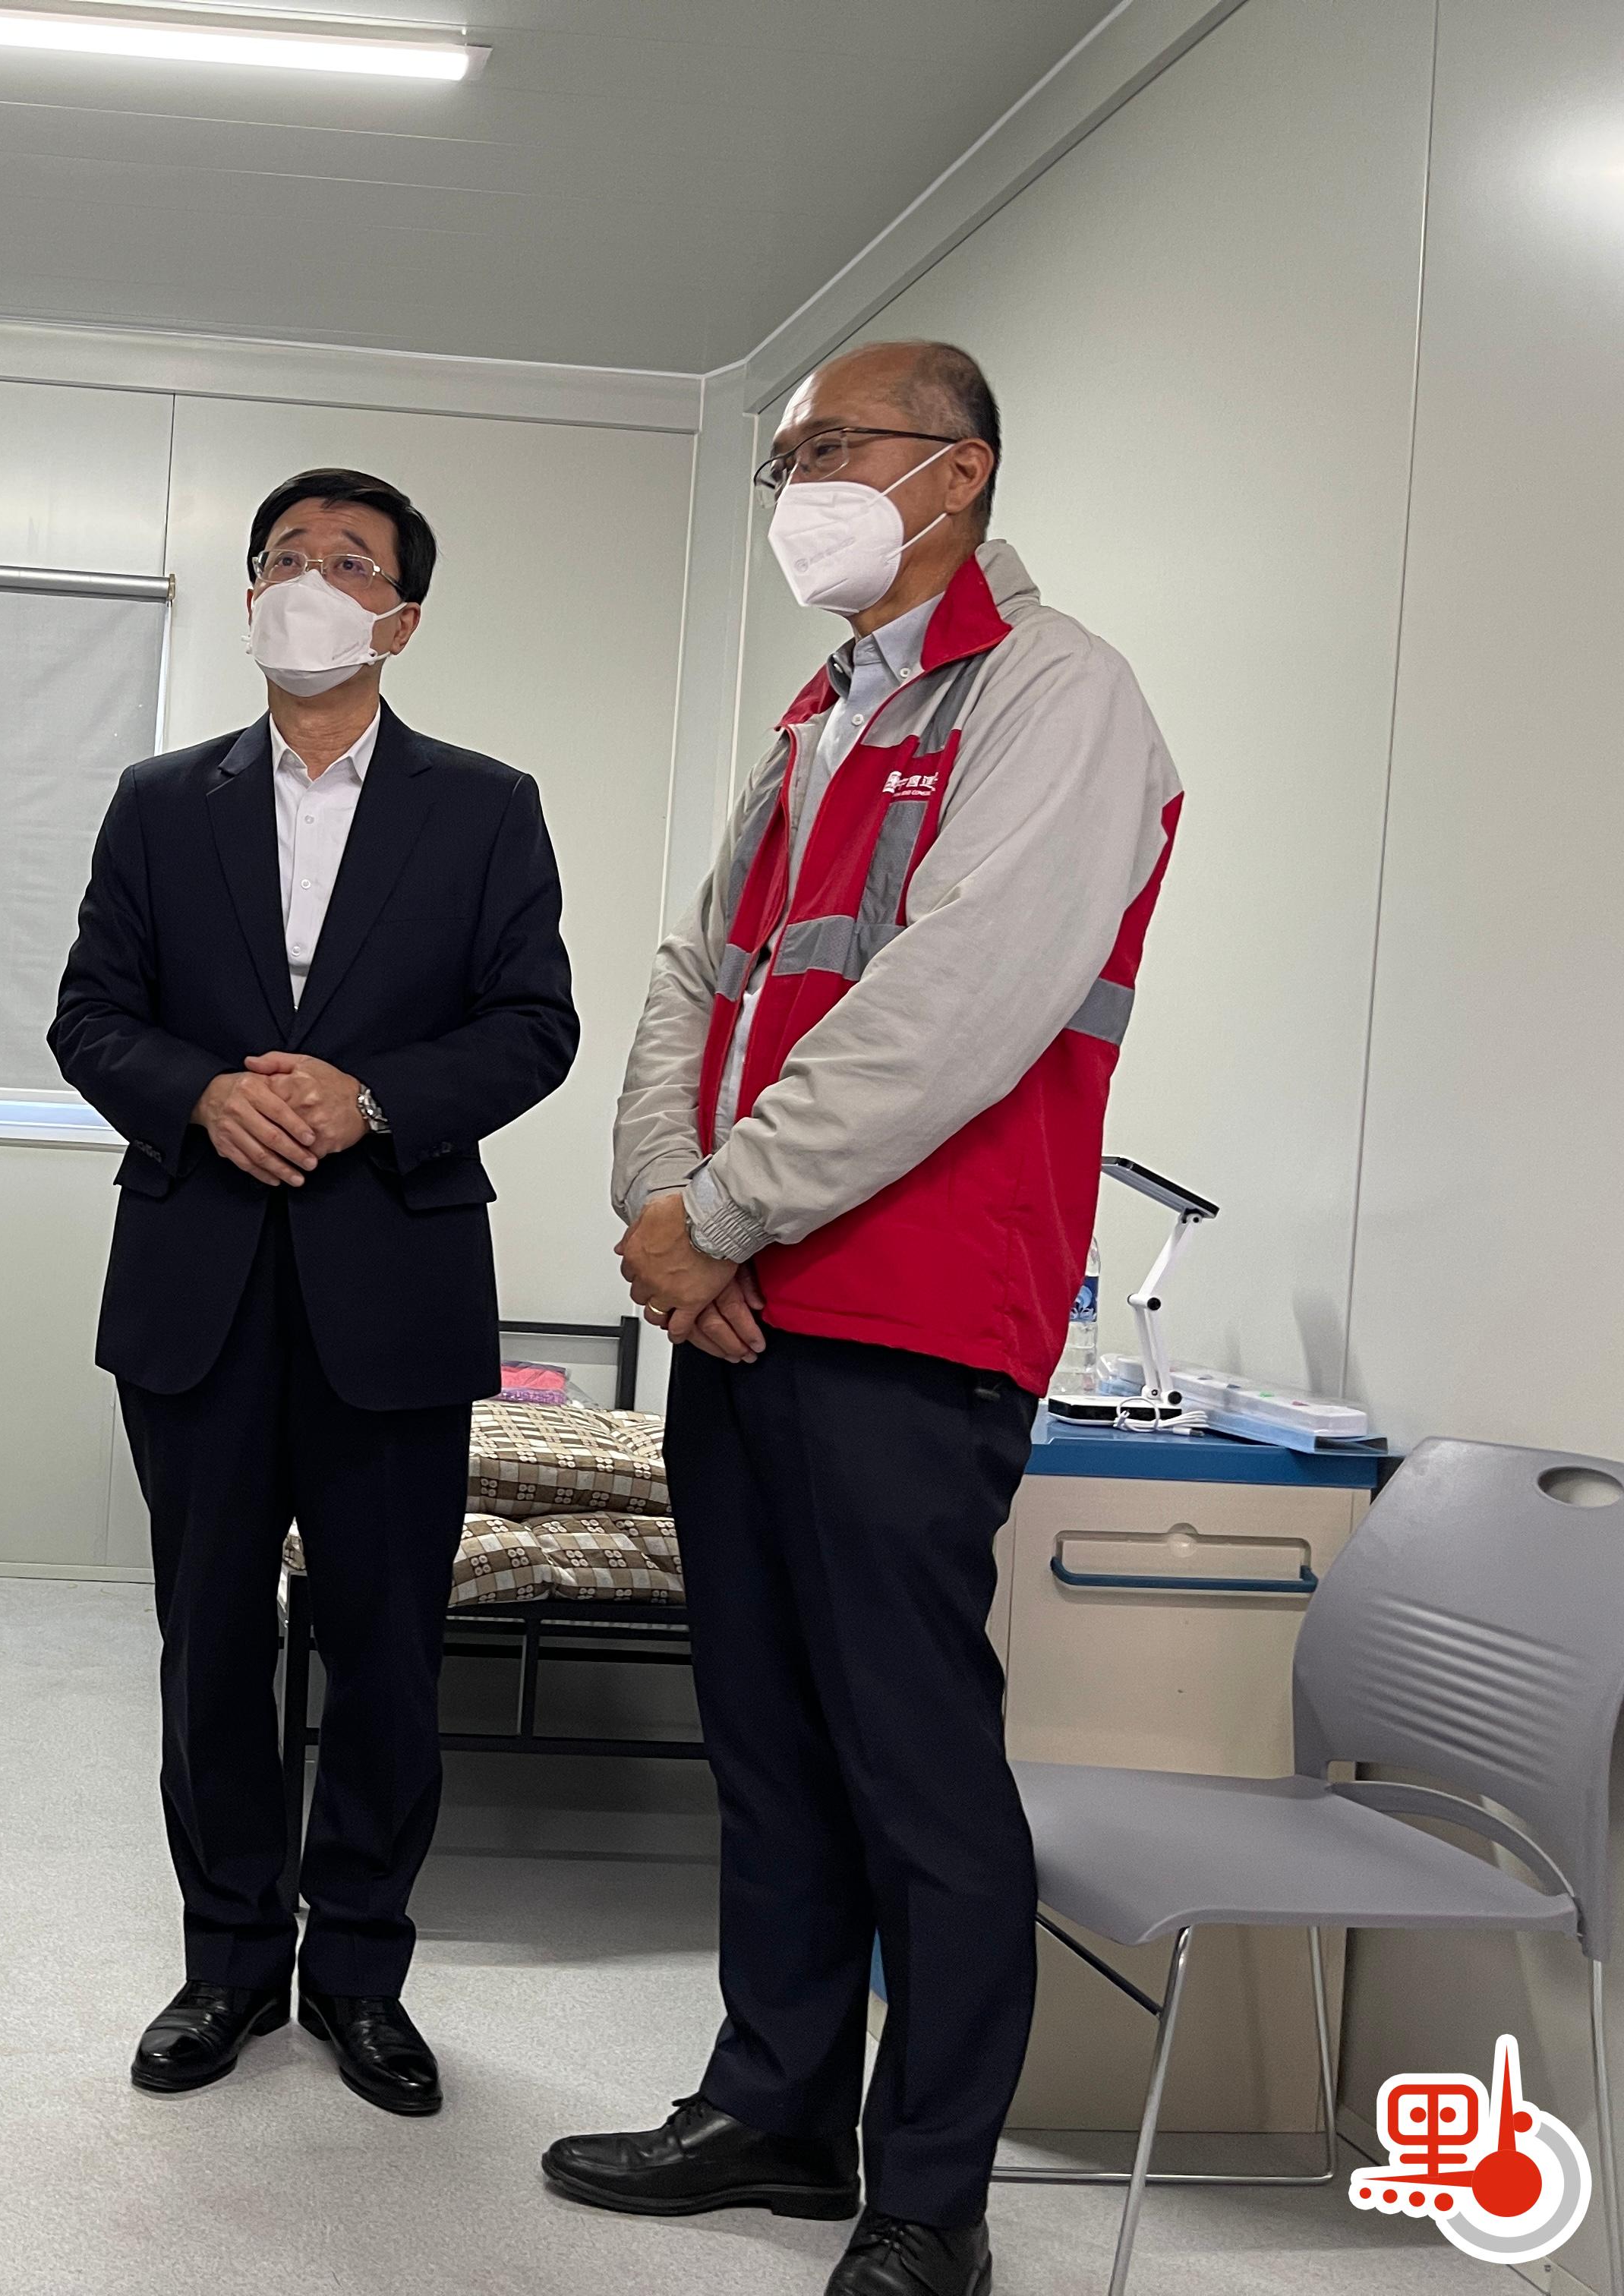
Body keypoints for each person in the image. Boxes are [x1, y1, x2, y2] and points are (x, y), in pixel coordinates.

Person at [544, 342, 1181, 2296]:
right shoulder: (820, 718)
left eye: (833, 446)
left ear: (957, 470)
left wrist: (719, 1213)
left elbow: (954, 1008)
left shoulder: (1058, 693)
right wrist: (661, 1209)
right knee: (767, 1744)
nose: (799, 483)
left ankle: (931, 2203)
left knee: (916, 1770)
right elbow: (694, 976)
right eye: (786, 458)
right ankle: (778, 2112)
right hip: (736, 1302)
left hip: (909, 1313)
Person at [51, 470, 576, 2119]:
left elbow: (534, 1026)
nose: (311, 580)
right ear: (248, 596)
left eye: (350, 563)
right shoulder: (160, 802)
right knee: (208, 1642)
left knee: (387, 1655)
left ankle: (359, 1972)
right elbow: (90, 1014)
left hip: (394, 1281)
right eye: (285, 556)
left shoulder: (485, 807)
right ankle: (225, 1964)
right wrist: (206, 1095)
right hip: (197, 1280)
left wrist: (372, 1099)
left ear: (399, 618)